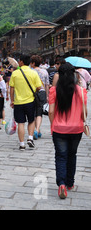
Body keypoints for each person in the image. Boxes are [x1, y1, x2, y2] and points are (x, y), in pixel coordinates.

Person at [48, 63, 87, 199]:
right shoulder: (81, 91)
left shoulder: (54, 90)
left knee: (60, 155)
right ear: (73, 75)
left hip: (59, 129)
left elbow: (51, 111)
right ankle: (70, 183)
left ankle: (62, 184)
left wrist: (53, 125)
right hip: (76, 129)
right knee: (72, 155)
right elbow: (84, 113)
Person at [9, 55, 42, 150]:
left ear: (22, 62)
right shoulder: (33, 73)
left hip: (18, 102)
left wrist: (12, 100)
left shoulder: (15, 74)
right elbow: (39, 87)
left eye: (19, 61)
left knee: (21, 123)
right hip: (30, 101)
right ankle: (30, 138)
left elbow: (12, 89)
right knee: (31, 120)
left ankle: (22, 144)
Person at [30, 55, 50, 140]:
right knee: (39, 112)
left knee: (34, 112)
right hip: (42, 93)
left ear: (33, 63)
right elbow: (47, 84)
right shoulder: (44, 72)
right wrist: (47, 95)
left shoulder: (30, 71)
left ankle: (36, 129)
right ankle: (37, 130)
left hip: (32, 93)